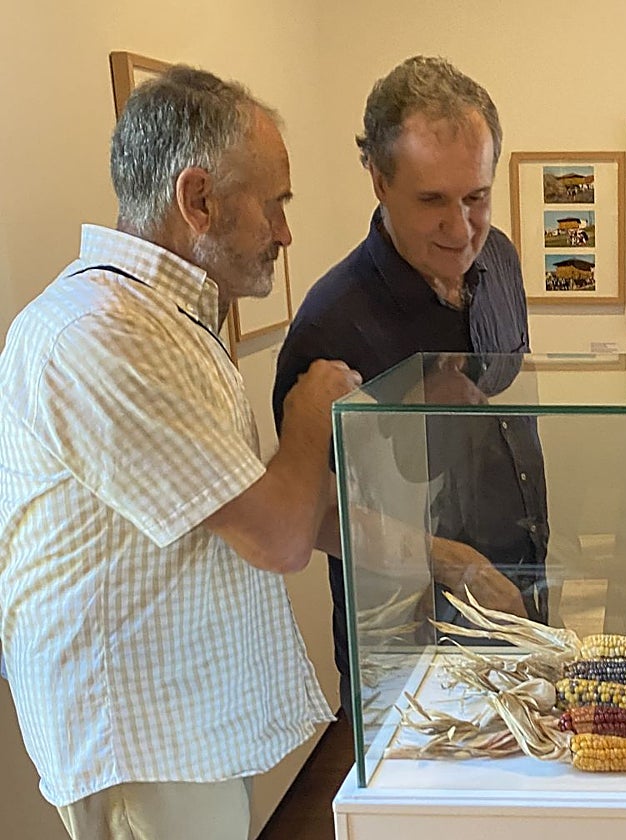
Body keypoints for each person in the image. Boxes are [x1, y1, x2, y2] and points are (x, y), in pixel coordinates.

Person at [0, 67, 361, 840]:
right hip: (135, 738)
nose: (286, 232)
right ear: (198, 200)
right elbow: (276, 533)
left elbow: (253, 502)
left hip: (176, 725)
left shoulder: (165, 321)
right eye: (275, 205)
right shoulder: (99, 333)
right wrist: (308, 417)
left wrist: (438, 557)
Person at [272, 55, 548, 713]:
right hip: (408, 636)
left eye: (476, 197)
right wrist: (449, 561)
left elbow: (512, 391)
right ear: (378, 179)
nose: (460, 230)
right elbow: (307, 515)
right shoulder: (331, 321)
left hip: (523, 584)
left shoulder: (500, 256)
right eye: (432, 201)